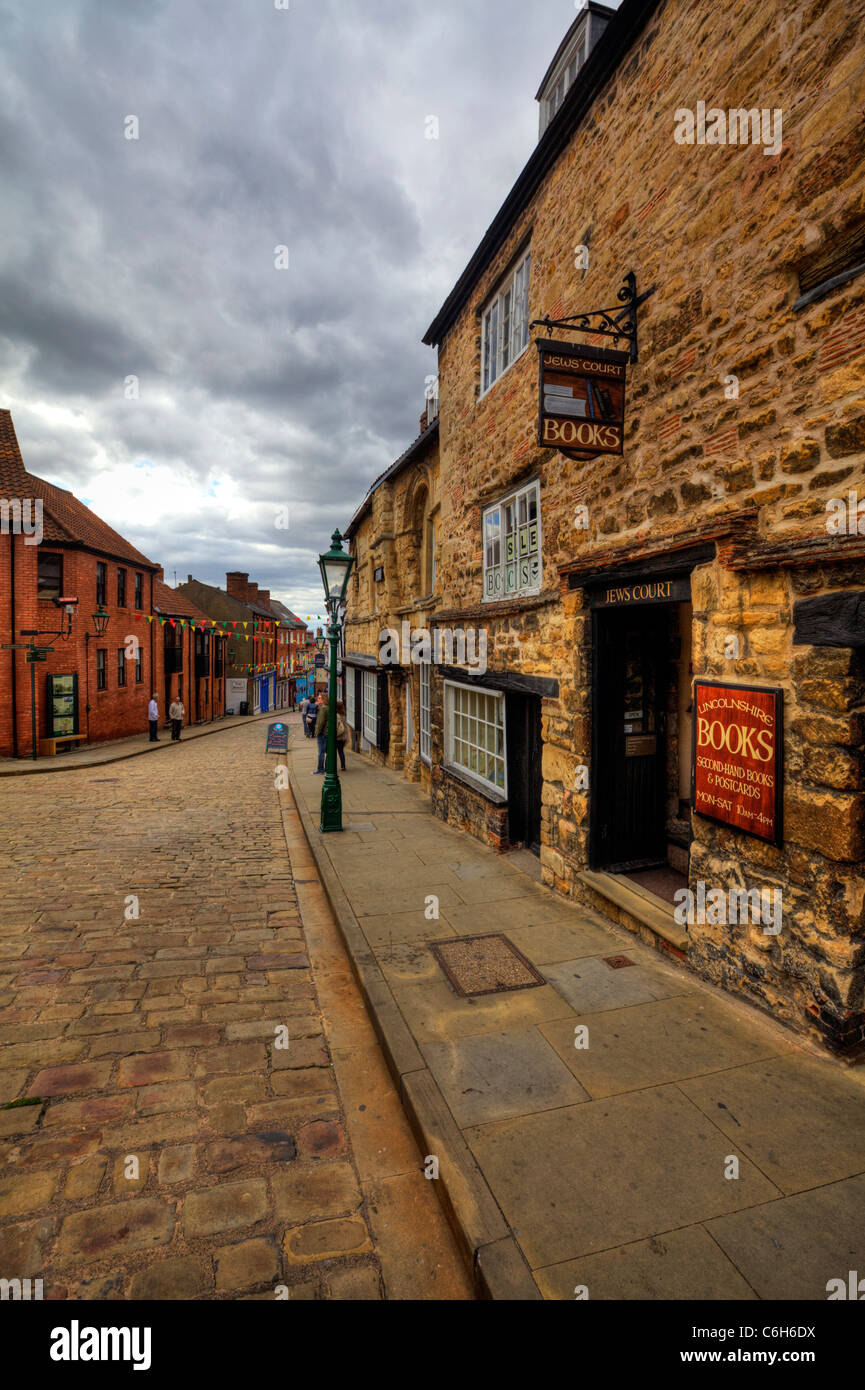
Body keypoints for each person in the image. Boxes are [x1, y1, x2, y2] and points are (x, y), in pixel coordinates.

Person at [312, 694, 328, 774]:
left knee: (321, 752)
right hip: (327, 732)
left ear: (323, 699)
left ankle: (320, 769)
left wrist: (316, 733)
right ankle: (327, 768)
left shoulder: (323, 708)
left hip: (323, 733)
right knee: (327, 752)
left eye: (319, 698)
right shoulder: (326, 707)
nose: (317, 700)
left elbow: (320, 722)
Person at [335, 700, 347, 772]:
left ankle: (330, 766)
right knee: (341, 751)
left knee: (333, 752)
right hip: (343, 736)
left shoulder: (336, 715)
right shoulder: (344, 714)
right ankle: (343, 766)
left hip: (338, 736)